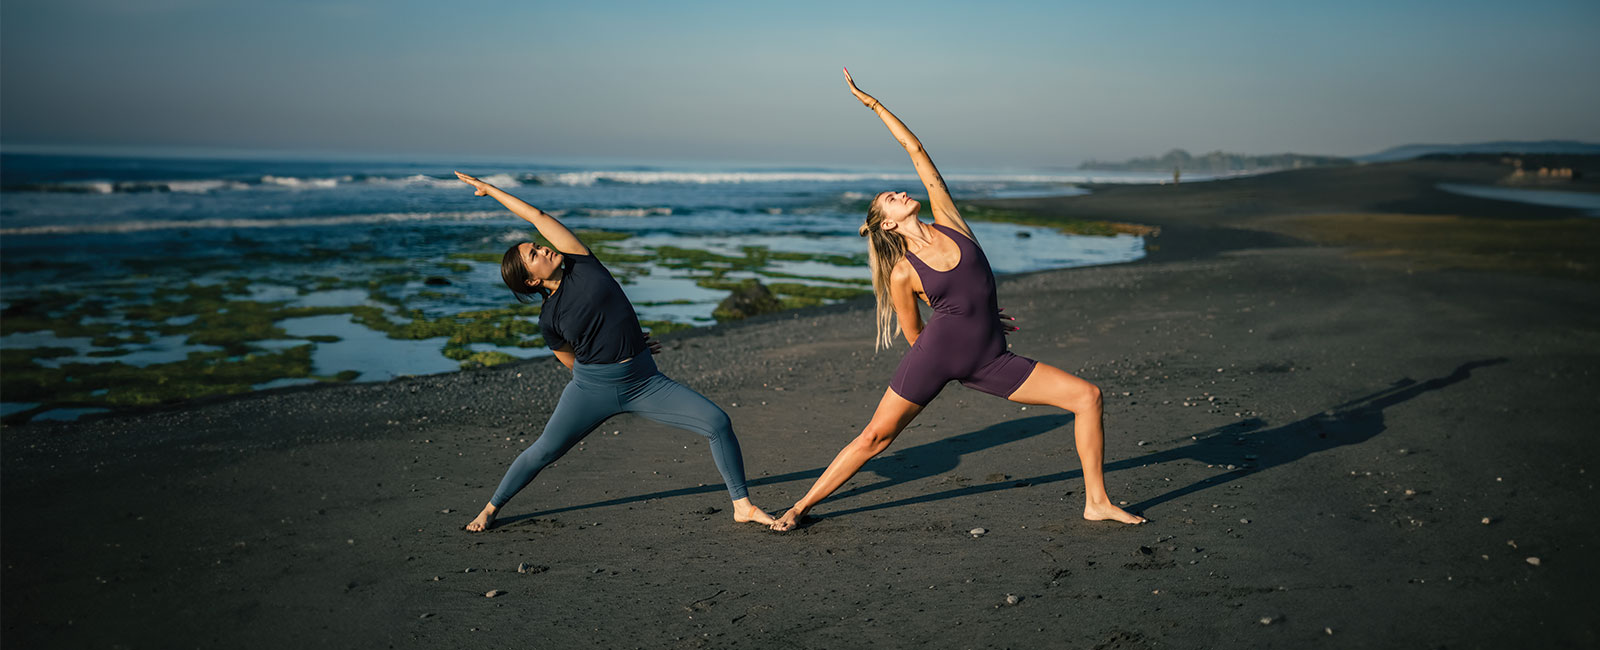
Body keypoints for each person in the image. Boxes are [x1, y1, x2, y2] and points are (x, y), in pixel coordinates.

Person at [769, 70, 1146, 531]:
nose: (902, 193)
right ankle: (798, 508)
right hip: (936, 357)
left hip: (990, 359)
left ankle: (1096, 501)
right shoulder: (904, 272)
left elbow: (917, 151)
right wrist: (949, 341)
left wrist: (875, 104)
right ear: (887, 223)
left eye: (899, 190)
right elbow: (913, 332)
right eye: (892, 197)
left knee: (1088, 397)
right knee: (875, 437)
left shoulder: (951, 222)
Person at [453, 171, 773, 531]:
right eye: (534, 253)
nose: (542, 247)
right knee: (544, 451)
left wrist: (492, 190)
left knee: (718, 423)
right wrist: (606, 364)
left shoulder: (581, 263)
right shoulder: (549, 319)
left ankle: (742, 506)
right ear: (531, 280)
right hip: (592, 388)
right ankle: (491, 509)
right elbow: (569, 361)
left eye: (538, 245)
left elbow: (538, 217)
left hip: (644, 381)